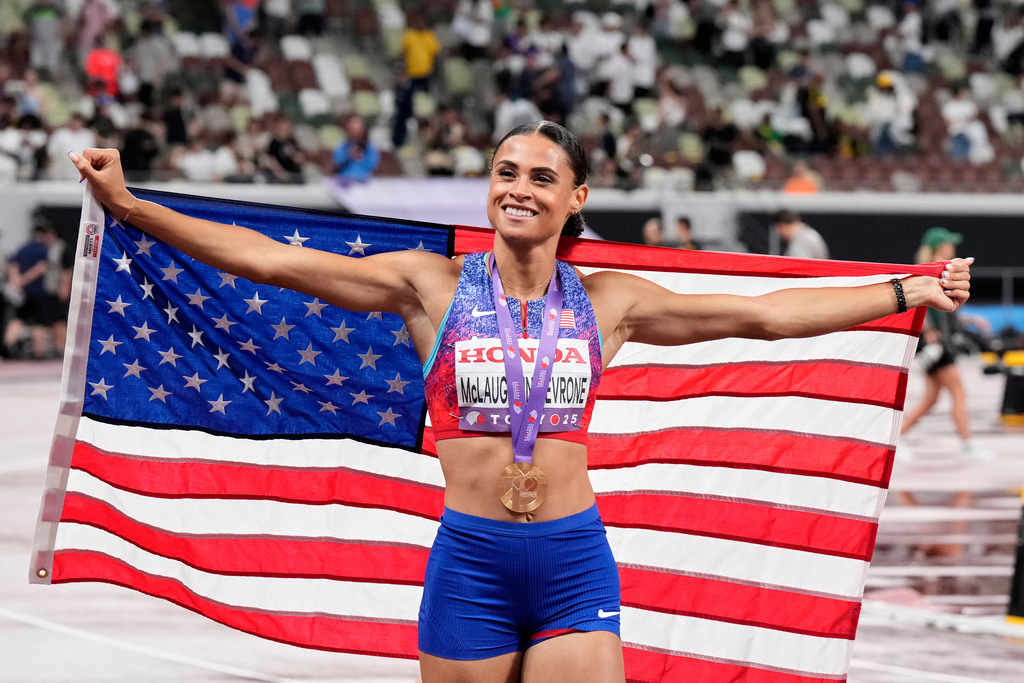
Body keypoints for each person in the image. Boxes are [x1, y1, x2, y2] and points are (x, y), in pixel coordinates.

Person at [68, 120, 972, 683]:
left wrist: (907, 289)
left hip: (574, 561)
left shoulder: (612, 302)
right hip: (471, 562)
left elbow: (765, 316)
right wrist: (131, 206)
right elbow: (273, 261)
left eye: (542, 177)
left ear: (576, 198)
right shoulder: (430, 285)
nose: (519, 189)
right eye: (507, 171)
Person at [900, 227, 991, 461]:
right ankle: (968, 445)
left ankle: (896, 439)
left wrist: (971, 320)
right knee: (958, 393)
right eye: (949, 244)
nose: (953, 248)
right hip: (937, 347)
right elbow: (916, 303)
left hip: (937, 345)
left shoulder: (942, 271)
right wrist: (929, 331)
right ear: (940, 247)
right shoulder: (927, 272)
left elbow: (948, 312)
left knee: (931, 399)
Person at [332, 116, 379, 182]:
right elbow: (337, 162)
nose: (355, 133)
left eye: (357, 130)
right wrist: (349, 156)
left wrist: (361, 157)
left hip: (363, 180)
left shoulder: (369, 147)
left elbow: (373, 164)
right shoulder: (343, 146)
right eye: (352, 130)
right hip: (344, 181)